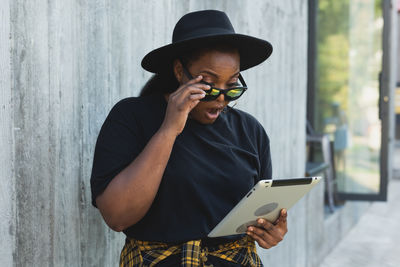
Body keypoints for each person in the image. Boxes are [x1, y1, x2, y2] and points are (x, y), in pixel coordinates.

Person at [90, 10, 288, 267]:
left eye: (233, 85)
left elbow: (260, 213)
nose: (221, 97)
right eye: (209, 84)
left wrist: (271, 232)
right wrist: (169, 129)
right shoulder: (132, 117)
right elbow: (117, 216)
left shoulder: (250, 131)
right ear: (178, 71)